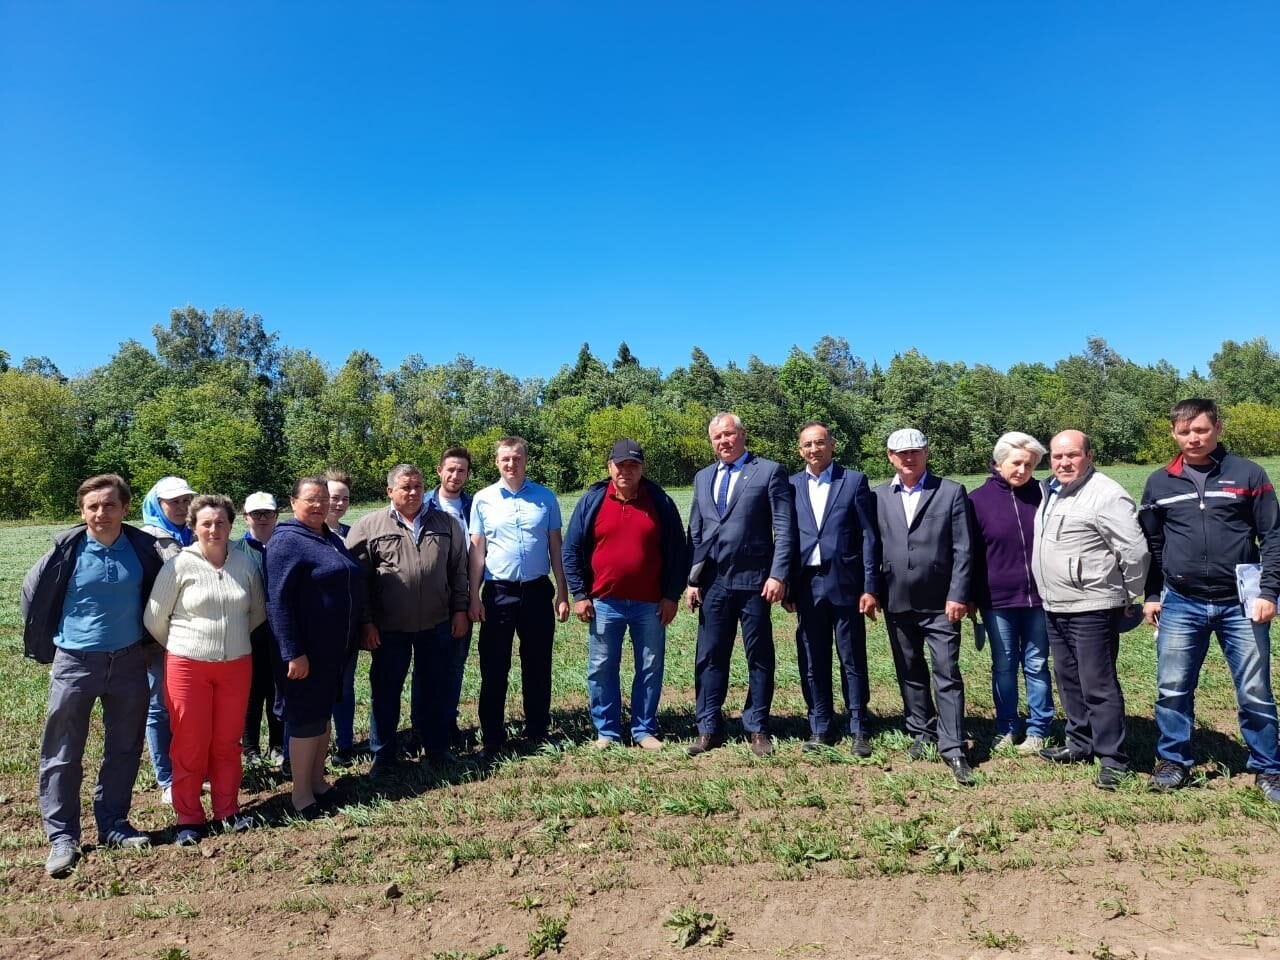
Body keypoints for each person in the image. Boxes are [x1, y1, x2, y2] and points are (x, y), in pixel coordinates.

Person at [22, 474, 166, 876]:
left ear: (124, 508)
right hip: (75, 663)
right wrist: (53, 640)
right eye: (92, 507)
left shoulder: (142, 549)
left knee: (123, 747)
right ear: (82, 511)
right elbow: (31, 596)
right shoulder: (65, 550)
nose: (100, 513)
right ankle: (62, 837)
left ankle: (114, 824)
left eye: (109, 505)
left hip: (128, 661)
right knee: (62, 752)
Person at [1139, 399, 1280, 802]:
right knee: (1172, 687)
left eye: (1200, 429)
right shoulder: (1159, 482)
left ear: (1217, 427)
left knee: (1254, 689)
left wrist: (1269, 592)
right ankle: (1173, 761)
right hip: (1181, 602)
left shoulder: (1248, 473)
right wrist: (1152, 595)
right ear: (1173, 434)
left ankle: (1268, 767)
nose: (1193, 438)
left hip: (1242, 602)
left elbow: (1273, 536)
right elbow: (1153, 544)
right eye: (1184, 432)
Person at [144, 494, 266, 845]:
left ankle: (227, 810)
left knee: (228, 742)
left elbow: (256, 612)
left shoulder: (244, 564)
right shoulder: (179, 565)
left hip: (236, 665)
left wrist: (232, 640)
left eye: (221, 523)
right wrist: (187, 644)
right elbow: (154, 618)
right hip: (187, 666)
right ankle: (189, 817)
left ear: (231, 525)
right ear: (194, 527)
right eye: (206, 523)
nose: (214, 529)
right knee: (190, 743)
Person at [1032, 430, 1149, 791]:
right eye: (1057, 456)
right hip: (1056, 604)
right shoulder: (1051, 490)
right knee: (1067, 678)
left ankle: (1113, 758)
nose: (1064, 462)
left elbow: (1134, 551)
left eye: (1072, 455)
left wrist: (1127, 596)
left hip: (1093, 604)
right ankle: (1079, 743)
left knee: (1098, 683)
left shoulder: (1106, 494)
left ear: (1089, 455)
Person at [563, 438, 689, 750]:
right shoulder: (594, 500)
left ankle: (644, 730)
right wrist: (580, 594)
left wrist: (672, 595)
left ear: (642, 469)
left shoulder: (659, 501)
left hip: (651, 603)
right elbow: (571, 549)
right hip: (604, 602)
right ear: (610, 467)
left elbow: (678, 552)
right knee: (602, 667)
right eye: (621, 465)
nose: (626, 471)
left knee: (649, 665)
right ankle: (607, 732)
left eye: (633, 465)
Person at [347, 463, 470, 779]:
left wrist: (459, 610)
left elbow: (458, 570)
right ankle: (384, 756)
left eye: (418, 486)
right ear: (390, 491)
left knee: (435, 690)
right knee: (385, 693)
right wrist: (366, 623)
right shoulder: (369, 526)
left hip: (437, 623)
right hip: (389, 628)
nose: (413, 492)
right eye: (405, 487)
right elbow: (357, 582)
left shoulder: (445, 523)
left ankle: (437, 749)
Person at [685, 412, 795, 758]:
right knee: (709, 656)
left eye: (729, 435)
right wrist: (692, 580)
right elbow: (697, 533)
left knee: (759, 656)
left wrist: (779, 574)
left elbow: (784, 527)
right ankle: (707, 727)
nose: (724, 442)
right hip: (714, 583)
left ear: (743, 435)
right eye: (717, 437)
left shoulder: (768, 471)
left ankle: (758, 726)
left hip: (755, 582)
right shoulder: (703, 477)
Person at [873, 429, 977, 784]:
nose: (909, 458)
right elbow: (873, 549)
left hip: (940, 603)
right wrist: (872, 591)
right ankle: (921, 731)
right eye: (901, 453)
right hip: (897, 600)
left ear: (927, 452)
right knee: (910, 669)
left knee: (946, 672)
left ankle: (953, 747)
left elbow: (964, 549)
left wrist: (958, 594)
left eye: (915, 451)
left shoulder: (950, 492)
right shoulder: (878, 497)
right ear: (890, 456)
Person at [265, 476, 364, 816]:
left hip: (333, 649)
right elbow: (278, 603)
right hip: (304, 653)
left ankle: (318, 781)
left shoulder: (327, 537)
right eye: (310, 499)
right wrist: (292, 651)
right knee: (307, 720)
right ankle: (301, 796)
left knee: (322, 719)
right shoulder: (287, 542)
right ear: (293, 504)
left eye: (323, 498)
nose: (319, 505)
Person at [469, 436, 571, 759]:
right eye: (505, 459)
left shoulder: (546, 498)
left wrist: (563, 592)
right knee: (494, 666)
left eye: (517, 458)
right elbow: (477, 553)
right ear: (497, 462)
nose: (511, 464)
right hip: (498, 594)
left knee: (538, 665)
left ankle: (538, 732)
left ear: (526, 460)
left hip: (538, 592)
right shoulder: (483, 500)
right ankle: (493, 739)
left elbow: (556, 548)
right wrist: (474, 595)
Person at [784, 423, 881, 758]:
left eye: (820, 443)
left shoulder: (853, 481)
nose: (815, 450)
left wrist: (870, 586)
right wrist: (786, 585)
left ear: (832, 445)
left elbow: (869, 537)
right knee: (812, 658)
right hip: (807, 585)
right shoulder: (790, 485)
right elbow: (785, 538)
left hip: (846, 584)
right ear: (800, 450)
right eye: (808, 445)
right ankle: (820, 725)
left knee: (851, 657)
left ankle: (859, 727)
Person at [968, 432, 1055, 755]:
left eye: (1029, 465)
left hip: (1039, 598)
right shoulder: (977, 500)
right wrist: (971, 596)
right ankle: (1006, 726)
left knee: (1036, 664)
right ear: (998, 462)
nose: (1022, 470)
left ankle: (1038, 728)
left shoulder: (1044, 495)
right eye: (1016, 463)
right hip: (997, 600)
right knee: (1003, 664)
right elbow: (971, 553)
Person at [139, 475, 195, 803]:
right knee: (160, 708)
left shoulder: (195, 532)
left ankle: (188, 769)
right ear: (157, 505)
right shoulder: (148, 540)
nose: (181, 507)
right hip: (160, 640)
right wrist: (149, 639)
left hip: (193, 637)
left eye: (186, 500)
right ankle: (167, 778)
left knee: (186, 707)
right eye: (173, 502)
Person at [425, 446, 474, 749]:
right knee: (429, 666)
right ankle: (425, 724)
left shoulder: (475, 505)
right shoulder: (424, 505)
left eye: (462, 471)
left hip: (463, 596)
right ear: (440, 471)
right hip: (429, 599)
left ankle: (447, 722)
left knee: (455, 664)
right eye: (451, 469)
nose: (456, 475)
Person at [232, 492, 285, 768]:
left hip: (280, 634)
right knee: (251, 693)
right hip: (247, 632)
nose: (262, 518)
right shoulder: (235, 550)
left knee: (278, 691)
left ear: (277, 516)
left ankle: (278, 745)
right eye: (256, 514)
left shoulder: (286, 547)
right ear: (246, 517)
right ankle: (250, 749)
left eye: (267, 513)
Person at [323, 468, 360, 766]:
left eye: (344, 498)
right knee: (314, 691)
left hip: (347, 627)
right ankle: (301, 751)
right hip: (317, 629)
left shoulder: (352, 535)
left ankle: (345, 744)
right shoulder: (304, 534)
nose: (339, 503)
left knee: (344, 688)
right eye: (333, 497)